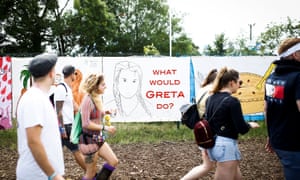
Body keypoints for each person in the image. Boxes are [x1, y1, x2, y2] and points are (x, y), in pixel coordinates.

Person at [205, 67, 260, 180]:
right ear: (231, 83)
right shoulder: (232, 101)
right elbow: (242, 128)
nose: (239, 85)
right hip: (226, 145)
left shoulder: (210, 99)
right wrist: (249, 124)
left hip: (213, 144)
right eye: (239, 82)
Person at [16, 54, 65, 180]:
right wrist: (53, 175)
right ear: (50, 73)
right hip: (38, 175)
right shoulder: (34, 99)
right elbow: (33, 141)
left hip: (43, 174)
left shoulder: (39, 97)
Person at [264, 38, 300, 180]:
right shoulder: (298, 77)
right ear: (296, 54)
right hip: (295, 143)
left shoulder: (272, 77)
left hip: (279, 141)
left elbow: (266, 109)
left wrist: (270, 135)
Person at [79, 73, 118, 180]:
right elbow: (86, 123)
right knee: (90, 174)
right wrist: (105, 128)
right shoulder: (87, 100)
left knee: (113, 161)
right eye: (103, 84)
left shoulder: (96, 98)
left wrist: (106, 112)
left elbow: (94, 115)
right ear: (95, 86)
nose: (105, 86)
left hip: (98, 138)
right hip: (88, 141)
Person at [181, 69, 217, 180]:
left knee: (208, 166)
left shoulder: (202, 90)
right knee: (212, 166)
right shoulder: (213, 92)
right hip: (214, 131)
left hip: (203, 130)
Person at [54, 65, 86, 171]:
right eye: (75, 74)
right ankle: (92, 175)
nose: (75, 76)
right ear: (72, 75)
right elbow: (58, 111)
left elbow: (74, 105)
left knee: (54, 154)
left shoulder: (68, 88)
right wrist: (62, 129)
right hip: (65, 126)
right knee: (77, 151)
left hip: (69, 125)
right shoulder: (61, 88)